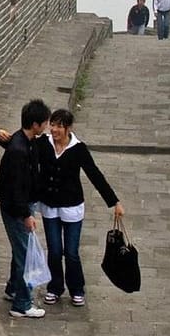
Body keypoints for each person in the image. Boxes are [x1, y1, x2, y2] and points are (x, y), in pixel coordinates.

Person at [35, 108, 123, 306]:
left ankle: (77, 288)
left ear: (68, 128)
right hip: (50, 206)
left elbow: (95, 175)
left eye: (59, 126)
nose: (55, 129)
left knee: (71, 251)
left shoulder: (78, 149)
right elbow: (21, 150)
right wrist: (2, 139)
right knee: (55, 250)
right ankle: (55, 287)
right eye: (53, 125)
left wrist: (114, 202)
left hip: (72, 207)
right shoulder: (43, 144)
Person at [0, 99, 51, 318]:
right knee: (25, 255)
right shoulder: (19, 148)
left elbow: (17, 153)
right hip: (16, 208)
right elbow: (16, 188)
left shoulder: (23, 141)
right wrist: (26, 215)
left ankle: (13, 289)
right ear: (35, 124)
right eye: (45, 123)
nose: (46, 127)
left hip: (20, 205)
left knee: (20, 250)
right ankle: (22, 304)